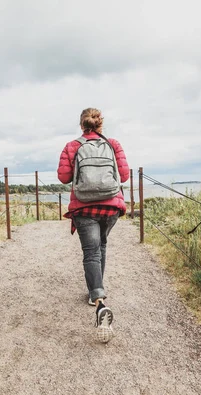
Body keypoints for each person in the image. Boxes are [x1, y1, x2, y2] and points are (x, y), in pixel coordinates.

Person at [57, 107, 130, 341]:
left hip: (84, 206)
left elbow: (63, 177)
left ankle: (98, 301)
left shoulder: (72, 146)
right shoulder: (113, 144)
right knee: (102, 246)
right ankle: (95, 294)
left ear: (82, 125)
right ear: (100, 125)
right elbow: (125, 176)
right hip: (111, 206)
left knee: (91, 253)